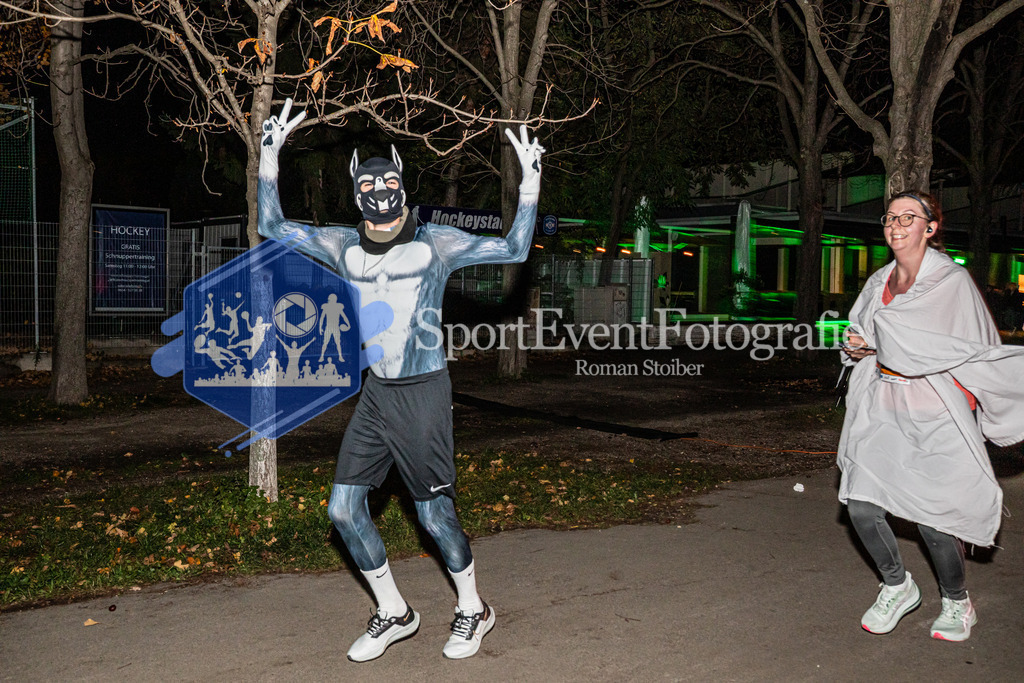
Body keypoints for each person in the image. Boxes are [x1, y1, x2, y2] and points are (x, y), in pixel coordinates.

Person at [257, 99, 544, 661]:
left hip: (424, 394)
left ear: (402, 183)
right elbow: (271, 226)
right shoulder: (342, 245)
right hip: (376, 395)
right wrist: (269, 159)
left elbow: (512, 248)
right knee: (342, 509)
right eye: (370, 183)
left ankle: (473, 609)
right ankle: (395, 612)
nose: (381, 190)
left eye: (389, 179)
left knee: (434, 514)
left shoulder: (435, 240)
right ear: (355, 191)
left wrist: (530, 185)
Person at [839, 191, 1024, 642]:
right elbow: (864, 329)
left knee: (934, 519)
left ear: (931, 227)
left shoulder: (950, 281)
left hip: (936, 412)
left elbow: (939, 346)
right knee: (861, 503)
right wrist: (852, 345)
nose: (896, 224)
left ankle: (958, 602)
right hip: (883, 407)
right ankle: (898, 586)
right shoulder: (877, 280)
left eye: (909, 217)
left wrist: (876, 341)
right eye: (890, 217)